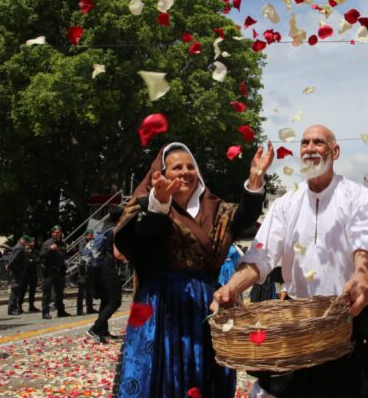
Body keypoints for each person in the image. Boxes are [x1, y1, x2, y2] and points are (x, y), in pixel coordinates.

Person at [214, 125, 368, 398]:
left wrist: (362, 276)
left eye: (318, 142)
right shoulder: (286, 204)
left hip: (348, 318)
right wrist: (232, 287)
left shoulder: (360, 197)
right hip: (299, 326)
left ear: (335, 151)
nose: (310, 148)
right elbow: (261, 255)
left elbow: (366, 241)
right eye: (305, 143)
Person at [111, 141, 272, 398]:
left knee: (203, 372)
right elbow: (136, 238)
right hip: (161, 306)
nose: (185, 172)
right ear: (162, 175)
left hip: (203, 302)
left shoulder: (214, 208)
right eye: (176, 168)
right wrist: (158, 206)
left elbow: (243, 218)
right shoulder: (145, 206)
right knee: (161, 373)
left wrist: (255, 179)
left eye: (190, 166)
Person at [87, 209, 126, 343]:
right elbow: (117, 254)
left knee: (106, 299)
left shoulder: (104, 230)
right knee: (115, 300)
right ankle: (95, 328)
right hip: (108, 267)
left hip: (99, 268)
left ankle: (103, 330)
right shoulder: (115, 231)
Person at [40, 225, 70, 319]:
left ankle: (61, 311)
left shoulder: (62, 244)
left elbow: (63, 256)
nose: (56, 234)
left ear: (60, 233)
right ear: (52, 233)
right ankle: (45, 312)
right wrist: (50, 249)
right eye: (55, 232)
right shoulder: (47, 243)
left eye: (58, 232)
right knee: (47, 293)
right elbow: (41, 255)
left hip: (59, 271)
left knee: (59, 292)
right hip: (49, 271)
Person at [76, 230, 99, 315]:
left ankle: (89, 308)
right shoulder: (82, 243)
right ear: (85, 236)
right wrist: (91, 251)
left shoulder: (93, 242)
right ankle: (79, 310)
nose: (90, 236)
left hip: (90, 268)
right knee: (81, 290)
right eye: (88, 235)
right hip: (83, 268)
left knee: (90, 289)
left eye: (91, 235)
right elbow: (82, 252)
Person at [8, 234, 30, 315]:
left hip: (18, 271)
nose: (27, 243)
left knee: (16, 290)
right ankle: (11, 308)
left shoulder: (20, 247)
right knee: (15, 290)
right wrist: (9, 266)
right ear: (22, 240)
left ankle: (13, 307)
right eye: (26, 241)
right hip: (17, 272)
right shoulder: (20, 248)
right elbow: (13, 259)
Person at [22, 236, 40, 312]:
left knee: (32, 291)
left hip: (33, 272)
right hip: (25, 273)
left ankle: (31, 305)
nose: (33, 243)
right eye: (31, 242)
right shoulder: (24, 250)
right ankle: (19, 305)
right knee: (23, 290)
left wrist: (33, 260)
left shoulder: (35, 251)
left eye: (33, 242)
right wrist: (31, 260)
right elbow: (25, 260)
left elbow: (38, 259)